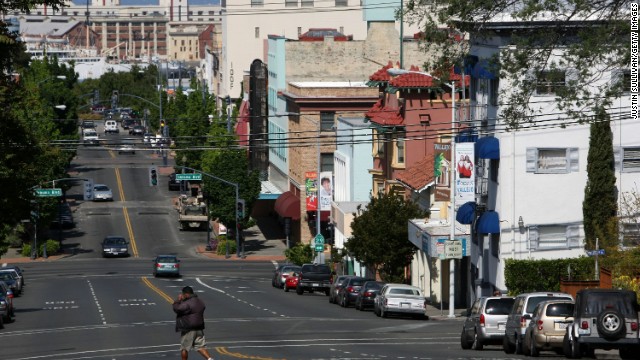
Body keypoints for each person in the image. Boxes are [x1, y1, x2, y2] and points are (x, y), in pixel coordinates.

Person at [173, 286, 214, 360]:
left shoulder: (188, 303)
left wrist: (177, 300)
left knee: (184, 348)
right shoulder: (200, 301)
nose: (182, 296)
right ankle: (210, 359)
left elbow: (178, 309)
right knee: (200, 347)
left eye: (183, 294)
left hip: (189, 329)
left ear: (186, 294)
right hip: (199, 328)